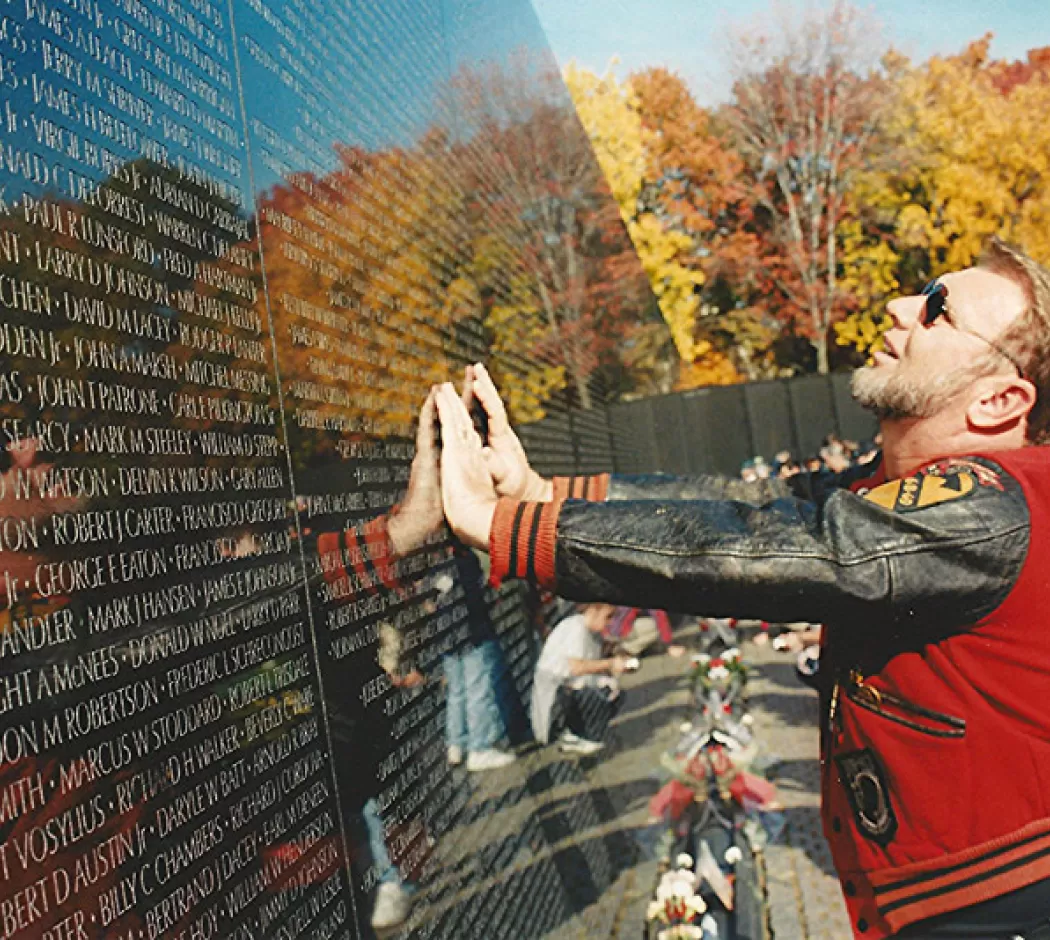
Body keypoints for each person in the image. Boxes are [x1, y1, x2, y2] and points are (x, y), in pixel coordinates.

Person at [437, 239, 1050, 939]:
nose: (901, 306)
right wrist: (540, 494)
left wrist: (504, 527)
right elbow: (750, 506)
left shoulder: (995, 506)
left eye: (939, 308)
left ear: (1000, 400)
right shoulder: (904, 491)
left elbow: (773, 548)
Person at [530, 602, 629, 753]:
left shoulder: (591, 632)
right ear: (593, 611)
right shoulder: (576, 628)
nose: (610, 622)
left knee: (614, 691)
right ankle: (574, 734)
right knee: (599, 693)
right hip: (556, 697)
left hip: (568, 687)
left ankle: (585, 731)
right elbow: (577, 668)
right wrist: (610, 663)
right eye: (608, 617)